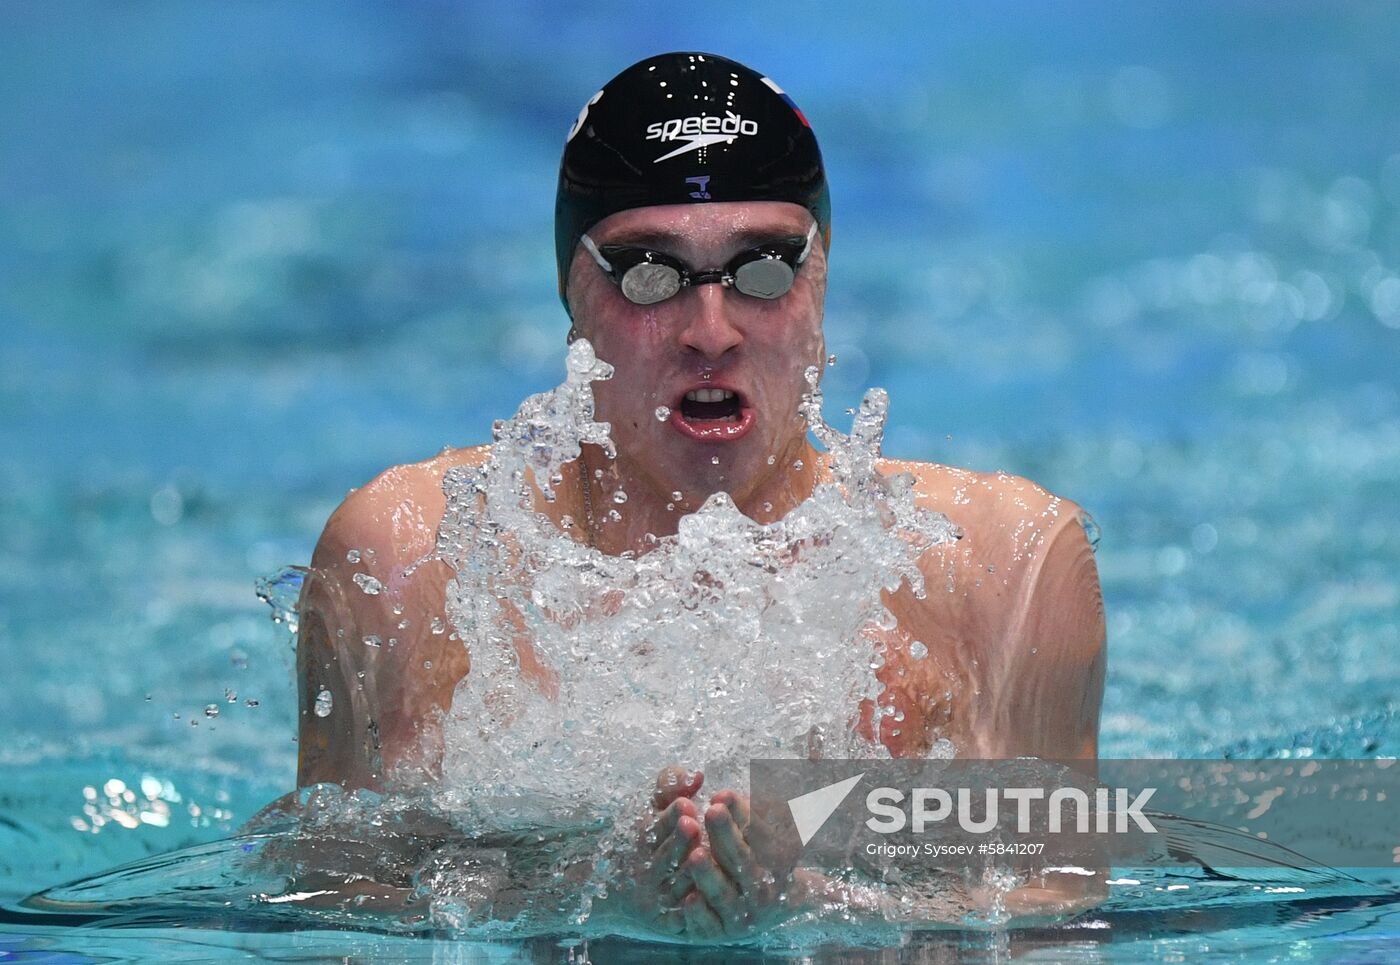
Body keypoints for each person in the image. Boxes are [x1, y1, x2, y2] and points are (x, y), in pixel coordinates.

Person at [291, 52, 1106, 938]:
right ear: (572, 292)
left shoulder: (1004, 572)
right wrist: (591, 892)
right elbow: (330, 909)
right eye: (649, 275)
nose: (711, 332)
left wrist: (821, 908)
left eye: (763, 269)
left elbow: (1052, 925)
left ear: (822, 278)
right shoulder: (411, 561)